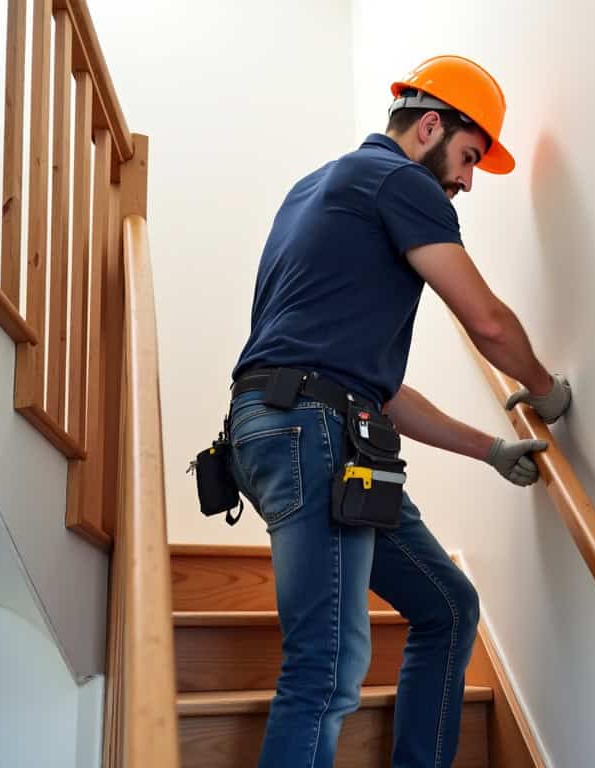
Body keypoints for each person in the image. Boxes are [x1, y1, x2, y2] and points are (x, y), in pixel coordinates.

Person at [226, 54, 570, 768]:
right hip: (314, 434)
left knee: (448, 605)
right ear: (431, 126)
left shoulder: (314, 190)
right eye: (469, 157)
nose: (467, 181)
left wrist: (489, 448)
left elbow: (374, 389)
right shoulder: (400, 180)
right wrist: (545, 389)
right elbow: (488, 323)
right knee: (326, 665)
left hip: (295, 423)